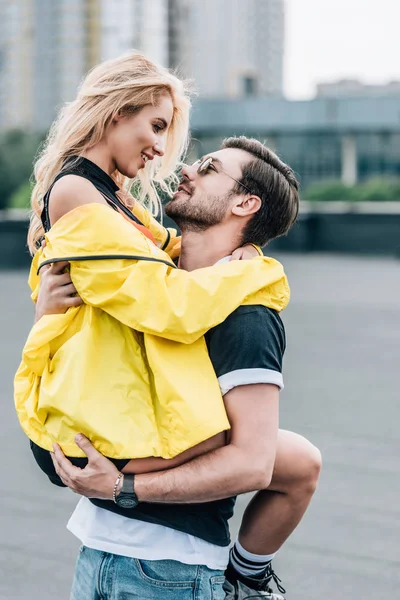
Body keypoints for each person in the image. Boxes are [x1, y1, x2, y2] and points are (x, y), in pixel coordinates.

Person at [41, 137, 321, 600]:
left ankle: (249, 579)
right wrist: (47, 313)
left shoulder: (246, 316)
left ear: (244, 202)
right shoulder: (147, 279)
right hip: (96, 553)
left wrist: (121, 487)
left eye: (209, 167)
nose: (189, 169)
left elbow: (252, 463)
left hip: (172, 571)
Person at [15, 51, 290, 472]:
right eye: (156, 126)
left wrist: (248, 251)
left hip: (107, 403)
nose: (160, 148)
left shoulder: (115, 196)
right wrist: (256, 272)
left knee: (294, 460)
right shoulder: (74, 189)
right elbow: (166, 304)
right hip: (76, 425)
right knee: (217, 437)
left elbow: (167, 247)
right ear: (117, 114)